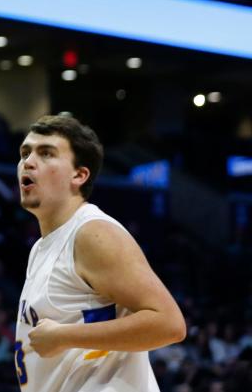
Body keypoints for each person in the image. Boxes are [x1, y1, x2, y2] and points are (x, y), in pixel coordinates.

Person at [14, 113, 186, 391]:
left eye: (46, 154)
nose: (29, 162)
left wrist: (64, 336)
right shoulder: (42, 247)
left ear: (79, 175)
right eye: (25, 153)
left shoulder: (92, 233)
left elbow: (169, 324)